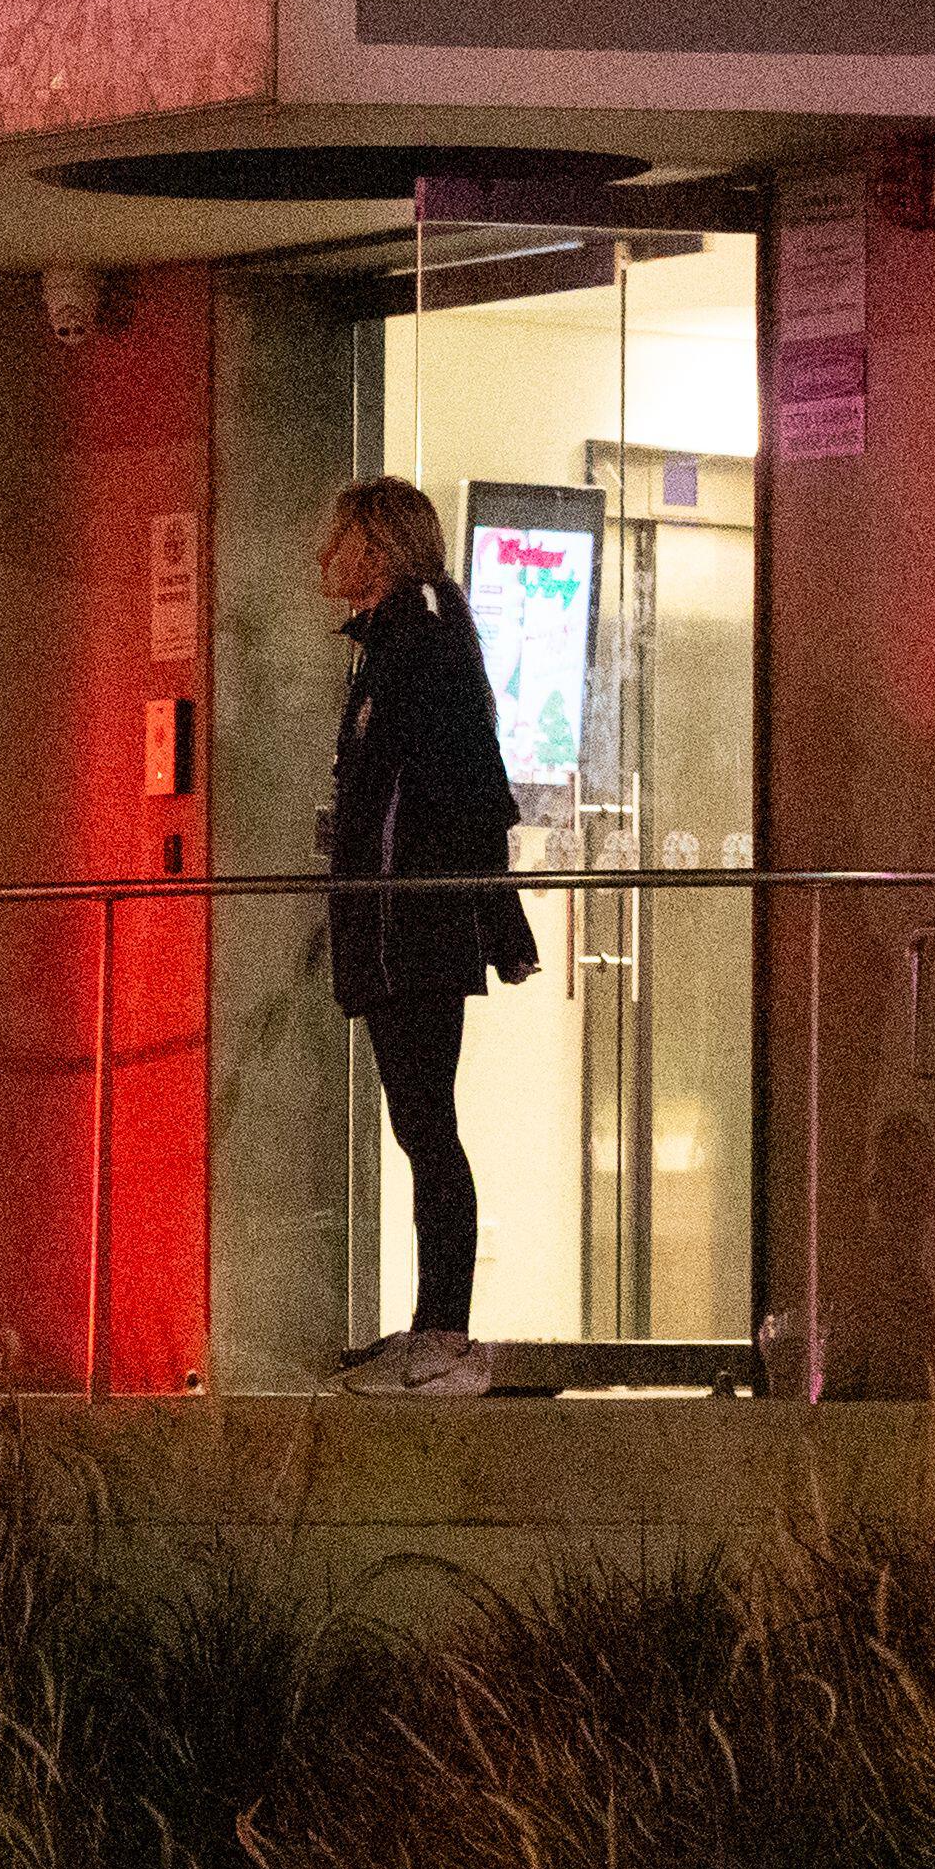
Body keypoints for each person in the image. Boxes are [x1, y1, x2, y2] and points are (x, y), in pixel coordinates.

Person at [314, 477, 543, 1395]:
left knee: (426, 1123)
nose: (321, 555)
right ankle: (429, 1326)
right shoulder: (396, 643)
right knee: (419, 1122)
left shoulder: (422, 640)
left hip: (413, 924)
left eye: (336, 538)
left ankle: (445, 1332)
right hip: (393, 923)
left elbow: (468, 785)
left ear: (375, 546)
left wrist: (486, 912)